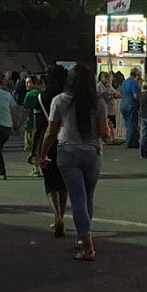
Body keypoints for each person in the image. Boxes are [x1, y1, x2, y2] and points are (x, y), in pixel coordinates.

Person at [39, 64, 110, 259]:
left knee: (77, 198)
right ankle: (82, 237)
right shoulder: (98, 102)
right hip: (92, 152)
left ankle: (87, 245)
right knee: (88, 196)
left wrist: (42, 154)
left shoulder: (60, 100)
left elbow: (51, 131)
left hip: (67, 151)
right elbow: (104, 134)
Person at [31, 65, 70, 238]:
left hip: (48, 142)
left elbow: (38, 126)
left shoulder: (41, 97)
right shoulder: (68, 97)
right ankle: (62, 215)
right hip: (67, 140)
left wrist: (35, 150)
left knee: (50, 183)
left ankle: (57, 217)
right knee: (63, 183)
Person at [119, 67, 142, 148]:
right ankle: (129, 143)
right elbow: (135, 95)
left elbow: (121, 93)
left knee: (127, 124)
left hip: (123, 105)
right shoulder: (134, 82)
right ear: (136, 75)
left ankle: (132, 141)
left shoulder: (124, 82)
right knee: (132, 124)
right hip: (131, 105)